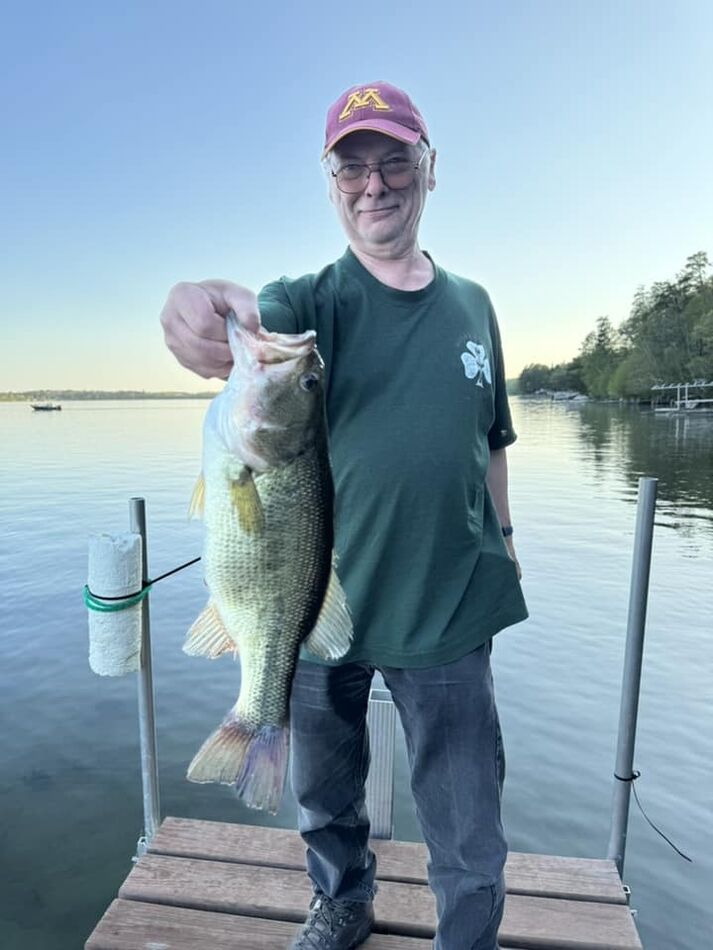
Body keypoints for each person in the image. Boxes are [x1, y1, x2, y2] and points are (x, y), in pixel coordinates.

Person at [160, 80, 528, 950]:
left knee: (466, 812)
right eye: (351, 167)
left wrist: (508, 540)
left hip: (449, 597)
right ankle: (342, 901)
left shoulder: (473, 304)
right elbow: (238, 322)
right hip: (317, 592)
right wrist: (195, 301)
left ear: (428, 169)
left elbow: (492, 441)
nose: (374, 185)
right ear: (330, 184)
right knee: (324, 789)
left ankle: (466, 936)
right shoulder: (308, 303)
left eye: (393, 161)